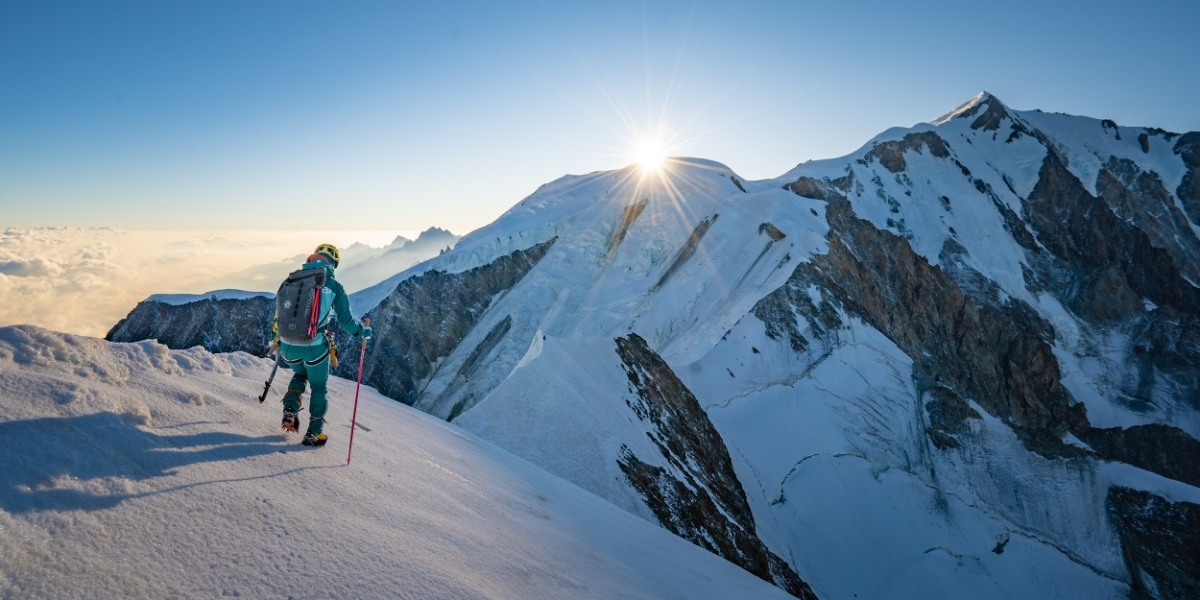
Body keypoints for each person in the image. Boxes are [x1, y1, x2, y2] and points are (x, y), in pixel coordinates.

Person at [277, 243, 371, 447]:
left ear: (313, 258)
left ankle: (290, 410)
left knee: (299, 375)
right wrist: (362, 332)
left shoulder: (291, 279)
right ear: (333, 264)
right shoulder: (333, 285)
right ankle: (314, 433)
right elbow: (346, 321)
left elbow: (280, 314)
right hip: (314, 346)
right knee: (318, 386)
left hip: (286, 345)